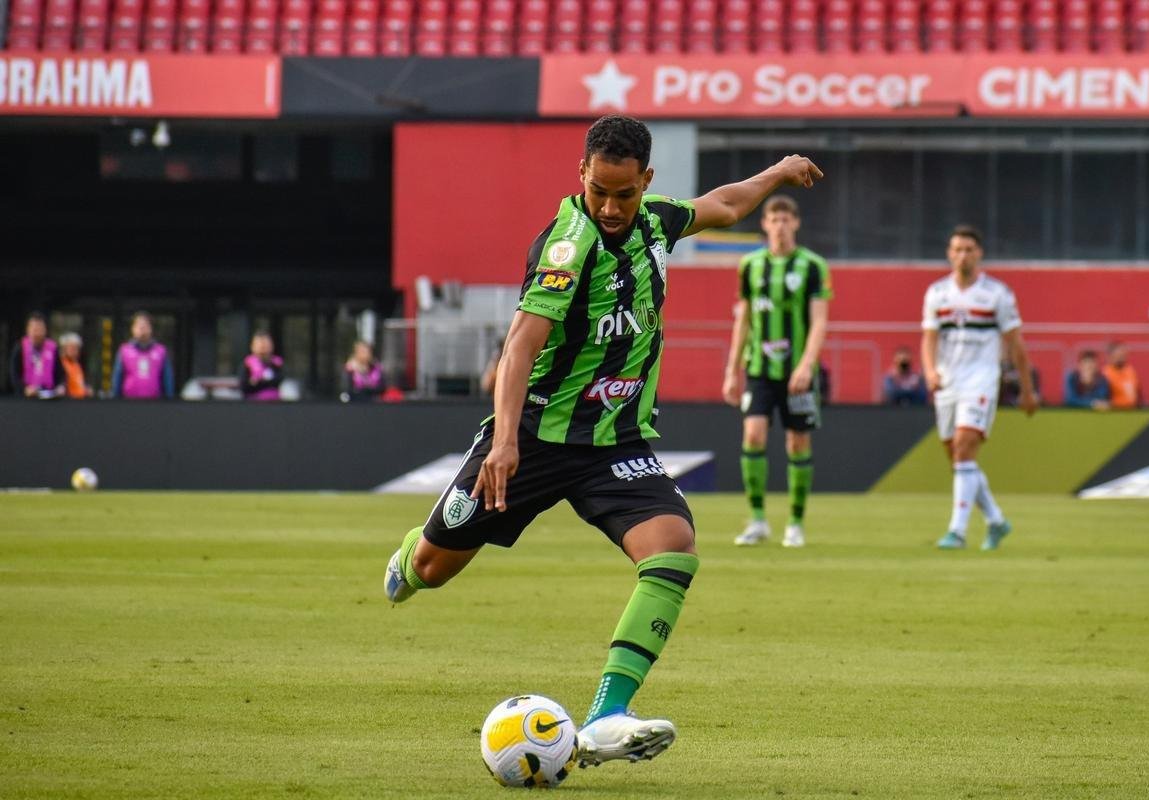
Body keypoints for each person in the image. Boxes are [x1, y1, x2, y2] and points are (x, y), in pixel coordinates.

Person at [383, 115, 823, 767]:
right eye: (598, 192)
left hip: (615, 442)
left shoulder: (655, 221)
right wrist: (504, 441)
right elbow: (520, 346)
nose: (611, 207)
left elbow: (724, 205)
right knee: (431, 569)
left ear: (645, 181)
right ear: (581, 178)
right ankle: (407, 558)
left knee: (672, 545)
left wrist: (779, 171)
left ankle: (607, 715)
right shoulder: (567, 247)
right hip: (532, 438)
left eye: (624, 193)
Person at [721, 194, 831, 548]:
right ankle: (757, 520)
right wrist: (731, 370)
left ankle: (795, 523)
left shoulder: (813, 266)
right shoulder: (750, 266)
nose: (780, 226)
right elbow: (744, 319)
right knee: (752, 435)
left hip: (798, 370)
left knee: (797, 441)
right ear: (765, 224)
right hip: (759, 369)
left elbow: (819, 321)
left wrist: (807, 364)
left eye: (786, 219)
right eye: (774, 219)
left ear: (795, 223)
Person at [921, 225, 1036, 551]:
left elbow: (1016, 345)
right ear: (949, 254)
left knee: (963, 448)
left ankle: (956, 532)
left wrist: (1027, 391)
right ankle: (997, 521)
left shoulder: (997, 294)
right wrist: (929, 371)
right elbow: (928, 340)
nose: (962, 255)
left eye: (969, 249)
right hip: (947, 381)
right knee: (959, 459)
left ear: (979, 253)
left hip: (981, 380)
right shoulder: (937, 294)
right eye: (957, 249)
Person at [112, 312, 174, 400]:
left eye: (145, 326)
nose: (142, 329)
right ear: (132, 329)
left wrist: (169, 401)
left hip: (155, 404)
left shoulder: (160, 351)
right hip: (128, 403)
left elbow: (167, 379)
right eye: (139, 326)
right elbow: (117, 378)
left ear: (151, 328)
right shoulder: (124, 350)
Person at [9, 313, 64, 398]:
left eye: (40, 329)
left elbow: (60, 373)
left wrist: (61, 386)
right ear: (28, 330)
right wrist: (24, 389)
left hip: (49, 397)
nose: (37, 333)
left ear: (45, 330)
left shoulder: (53, 348)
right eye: (34, 329)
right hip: (25, 398)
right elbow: (14, 374)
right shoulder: (20, 347)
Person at [239, 331, 284, 401]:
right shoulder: (247, 364)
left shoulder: (277, 363)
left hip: (275, 403)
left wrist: (258, 382)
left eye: (266, 344)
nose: (263, 348)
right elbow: (244, 386)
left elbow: (279, 380)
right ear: (252, 346)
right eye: (260, 344)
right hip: (252, 404)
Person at [1103, 341, 1142, 409]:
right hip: (1115, 411)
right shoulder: (1105, 373)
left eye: (1123, 354)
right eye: (1118, 354)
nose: (1122, 356)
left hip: (1133, 410)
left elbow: (1137, 392)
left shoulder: (1130, 371)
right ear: (1111, 355)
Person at [58, 332, 93, 399]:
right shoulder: (61, 364)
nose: (74, 351)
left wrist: (87, 389)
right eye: (71, 348)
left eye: (76, 348)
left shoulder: (78, 365)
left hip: (80, 400)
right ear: (64, 348)